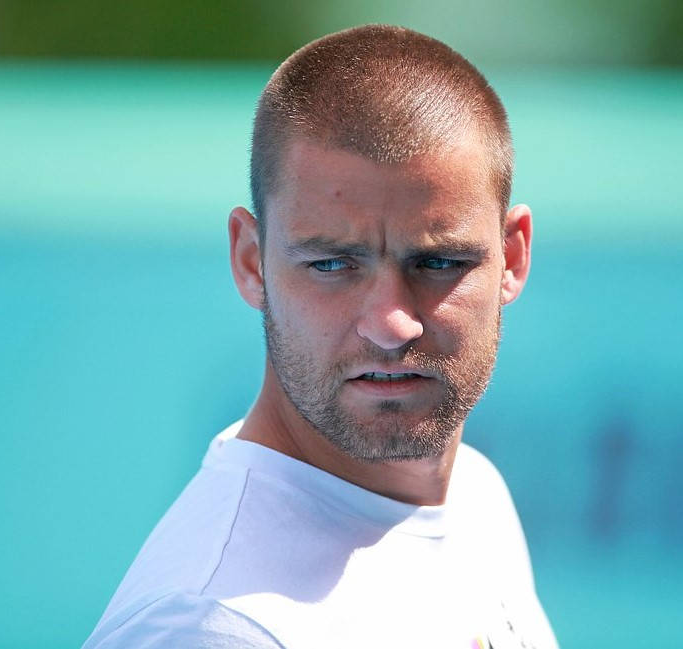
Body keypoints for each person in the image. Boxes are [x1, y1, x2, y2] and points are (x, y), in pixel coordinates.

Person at [83, 24, 557, 649]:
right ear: (251, 261)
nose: (391, 325)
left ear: (513, 257)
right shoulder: (210, 627)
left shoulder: (474, 496)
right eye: (332, 264)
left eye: (438, 263)